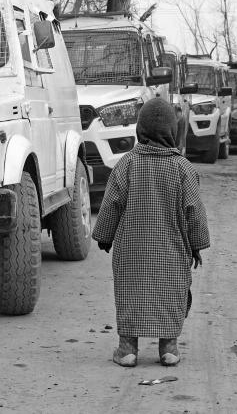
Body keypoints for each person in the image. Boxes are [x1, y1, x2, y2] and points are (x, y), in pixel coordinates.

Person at [93, 97, 210, 367]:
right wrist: (196, 245)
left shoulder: (127, 164)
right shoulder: (183, 168)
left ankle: (127, 349)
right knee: (170, 293)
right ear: (172, 130)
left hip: (132, 252)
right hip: (172, 252)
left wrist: (105, 236)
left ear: (140, 129)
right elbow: (194, 210)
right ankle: (168, 348)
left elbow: (112, 202)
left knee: (130, 293)